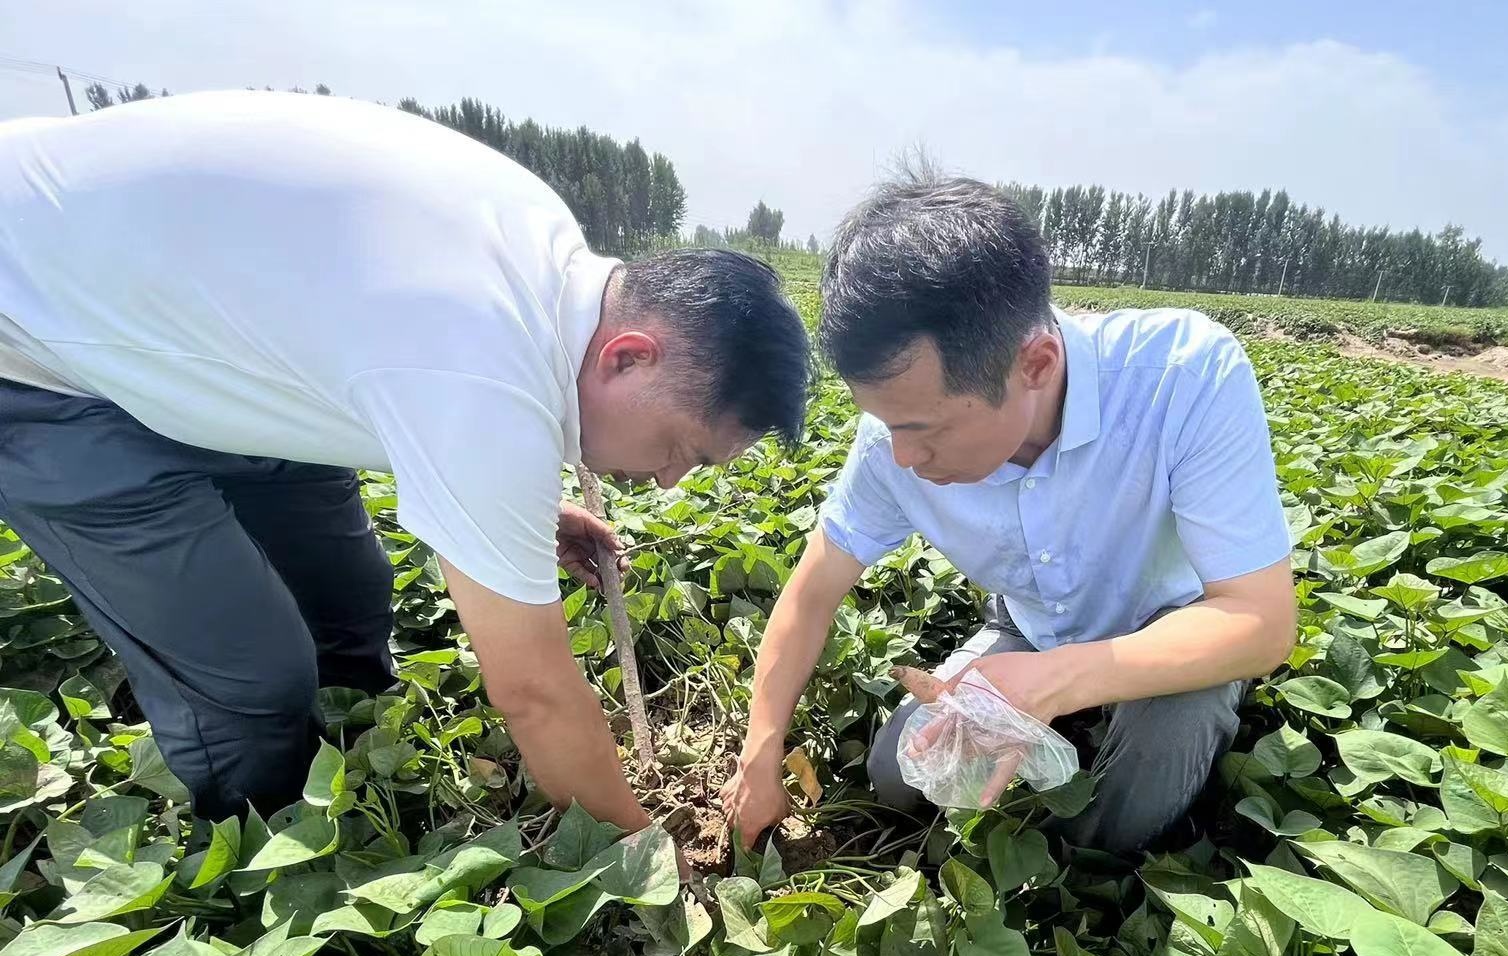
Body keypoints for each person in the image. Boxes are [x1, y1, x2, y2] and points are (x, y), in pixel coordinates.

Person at [0, 91, 810, 831]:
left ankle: (360, 770)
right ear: (628, 357)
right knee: (250, 676)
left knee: (348, 596)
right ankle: (269, 848)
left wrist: (514, 509)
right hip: (38, 350)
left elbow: (398, 361)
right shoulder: (478, 363)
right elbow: (535, 695)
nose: (669, 479)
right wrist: (648, 858)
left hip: (195, 339)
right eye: (680, 450)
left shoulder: (539, 256)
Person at [723, 176, 1294, 854]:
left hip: (1177, 629)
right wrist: (761, 752)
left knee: (1129, 806)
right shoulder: (893, 441)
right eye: (885, 424)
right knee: (897, 774)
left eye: (924, 428)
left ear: (1036, 363)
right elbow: (811, 595)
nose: (902, 457)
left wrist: (1057, 681)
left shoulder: (1183, 375)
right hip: (1029, 627)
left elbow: (1260, 622)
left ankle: (1081, 894)